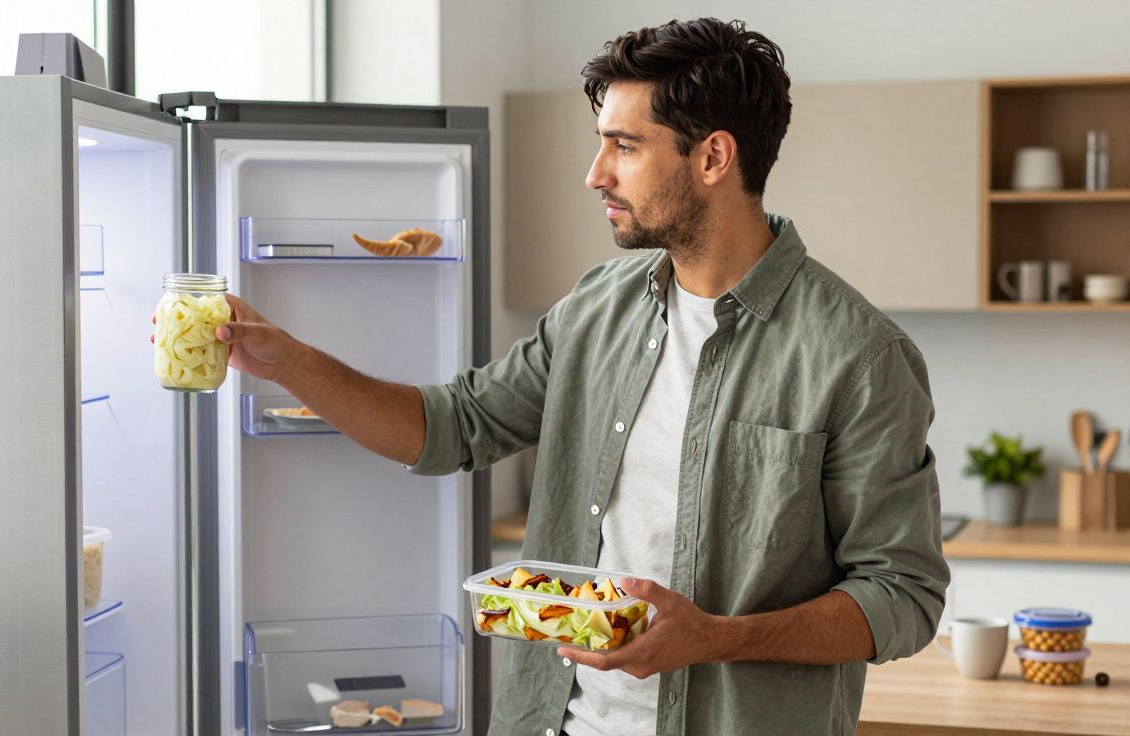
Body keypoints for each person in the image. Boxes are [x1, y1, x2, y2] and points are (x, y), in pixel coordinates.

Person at [209, 17, 949, 736]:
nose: (595, 174)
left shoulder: (858, 357)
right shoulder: (599, 305)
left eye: (624, 147)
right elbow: (450, 428)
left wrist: (715, 637)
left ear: (714, 158)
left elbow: (901, 598)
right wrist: (288, 360)